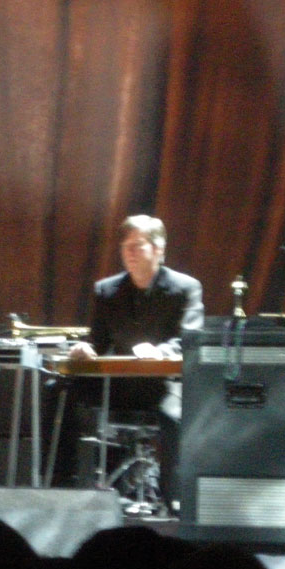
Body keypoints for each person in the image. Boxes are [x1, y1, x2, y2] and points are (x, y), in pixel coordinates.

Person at [66, 214, 203, 507]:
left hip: (165, 385)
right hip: (123, 385)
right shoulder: (107, 290)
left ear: (158, 250)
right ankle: (63, 488)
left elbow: (189, 340)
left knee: (173, 416)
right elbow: (98, 341)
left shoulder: (186, 288)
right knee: (61, 391)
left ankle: (174, 500)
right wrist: (85, 348)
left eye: (137, 246)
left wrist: (160, 352)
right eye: (125, 247)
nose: (129, 253)